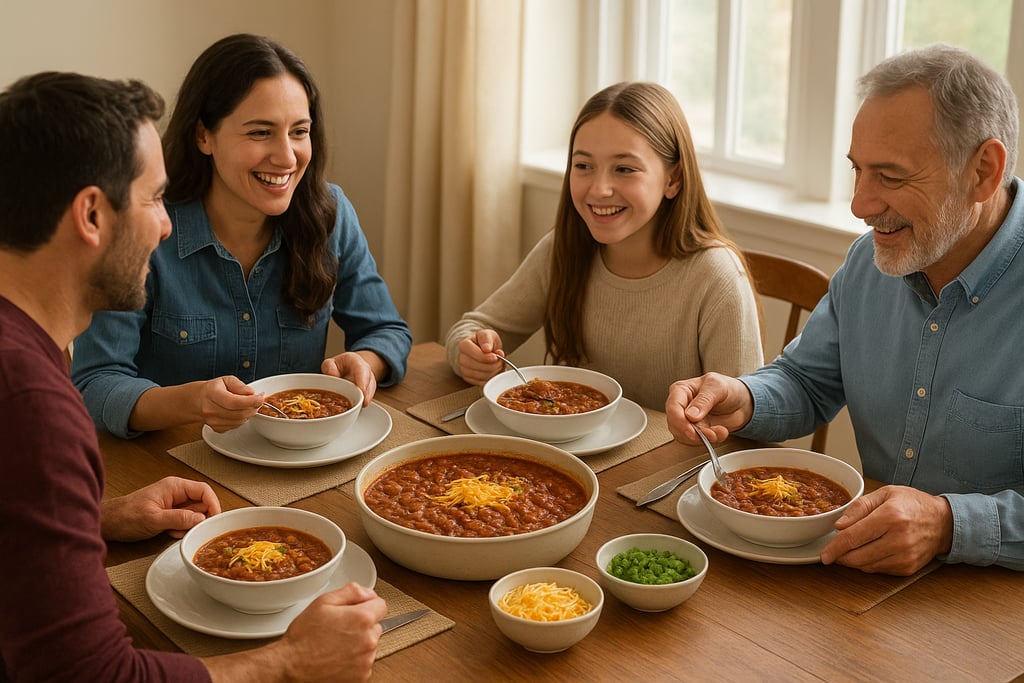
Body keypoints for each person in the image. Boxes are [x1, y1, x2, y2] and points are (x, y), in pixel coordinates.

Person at [0, 71, 387, 681]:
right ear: (92, 215)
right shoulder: (32, 403)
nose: (167, 225)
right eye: (154, 199)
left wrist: (97, 517)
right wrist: (290, 660)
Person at [666, 44, 1024, 576]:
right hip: (860, 581)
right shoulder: (868, 262)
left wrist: (948, 523)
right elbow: (807, 382)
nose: (860, 204)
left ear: (983, 172)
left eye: (891, 176)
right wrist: (743, 398)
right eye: (857, 170)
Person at [71, 34, 412, 439]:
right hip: (169, 469)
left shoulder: (331, 214)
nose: (286, 157)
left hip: (300, 462)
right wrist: (192, 401)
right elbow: (95, 383)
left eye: (299, 131)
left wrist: (365, 363)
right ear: (204, 136)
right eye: (260, 133)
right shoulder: (144, 228)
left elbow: (387, 331)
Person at [445, 82, 763, 410]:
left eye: (624, 169)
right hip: (571, 455)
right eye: (583, 166)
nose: (599, 189)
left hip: (677, 462)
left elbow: (740, 419)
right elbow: (472, 328)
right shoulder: (564, 248)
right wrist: (469, 352)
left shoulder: (716, 276)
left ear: (673, 179)